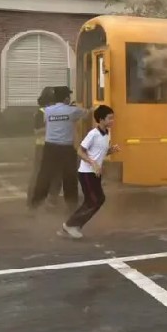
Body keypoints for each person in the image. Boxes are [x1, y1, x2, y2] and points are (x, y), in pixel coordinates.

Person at [60, 105, 118, 239]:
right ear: (101, 120)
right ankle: (70, 225)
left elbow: (99, 153)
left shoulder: (107, 133)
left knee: (99, 199)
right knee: (92, 200)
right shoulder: (93, 134)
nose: (112, 121)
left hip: (95, 173)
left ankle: (73, 225)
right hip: (86, 173)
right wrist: (93, 163)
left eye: (113, 118)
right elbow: (80, 151)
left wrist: (110, 151)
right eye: (109, 118)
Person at [29, 87, 87, 209]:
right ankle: (37, 202)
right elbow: (86, 113)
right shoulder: (68, 110)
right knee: (62, 176)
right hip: (53, 147)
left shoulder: (49, 111)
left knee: (53, 176)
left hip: (51, 147)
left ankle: (45, 202)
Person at [28, 86, 62, 206]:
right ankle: (33, 201)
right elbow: (37, 131)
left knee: (57, 174)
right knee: (39, 174)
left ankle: (52, 200)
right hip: (43, 147)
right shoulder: (40, 113)